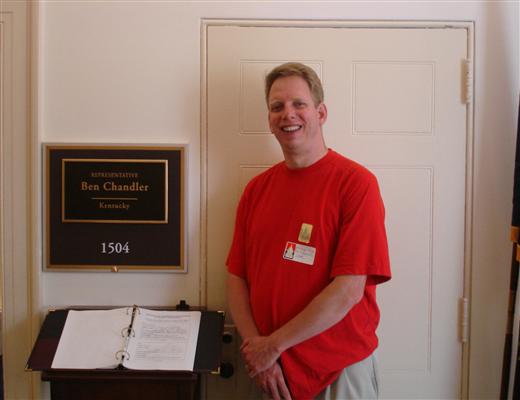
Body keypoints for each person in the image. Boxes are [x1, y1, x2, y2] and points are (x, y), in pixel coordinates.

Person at [226, 62, 391, 400]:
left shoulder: (356, 185)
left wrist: (271, 346)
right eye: (277, 107)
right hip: (273, 374)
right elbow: (236, 278)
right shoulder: (256, 191)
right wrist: (260, 353)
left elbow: (348, 291)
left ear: (321, 112)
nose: (288, 114)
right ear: (269, 119)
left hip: (338, 371)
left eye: (298, 104)